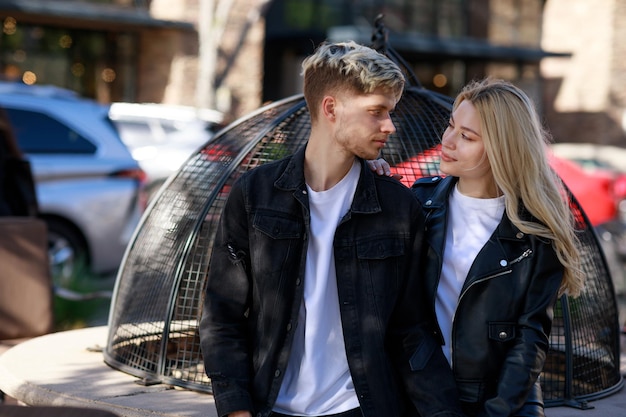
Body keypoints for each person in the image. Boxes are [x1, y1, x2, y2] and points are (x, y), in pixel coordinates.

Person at [199, 41, 465, 417]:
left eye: (390, 112)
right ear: (331, 108)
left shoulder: (396, 206)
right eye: (376, 111)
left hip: (361, 408)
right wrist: (236, 409)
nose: (389, 125)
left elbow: (411, 330)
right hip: (270, 407)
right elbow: (221, 315)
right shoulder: (255, 195)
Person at [371, 78, 585, 417]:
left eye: (467, 137)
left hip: (493, 401)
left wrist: (496, 411)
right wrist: (366, 177)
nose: (448, 141)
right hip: (417, 394)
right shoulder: (419, 204)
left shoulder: (536, 233)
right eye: (450, 126)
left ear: (502, 149)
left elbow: (529, 341)